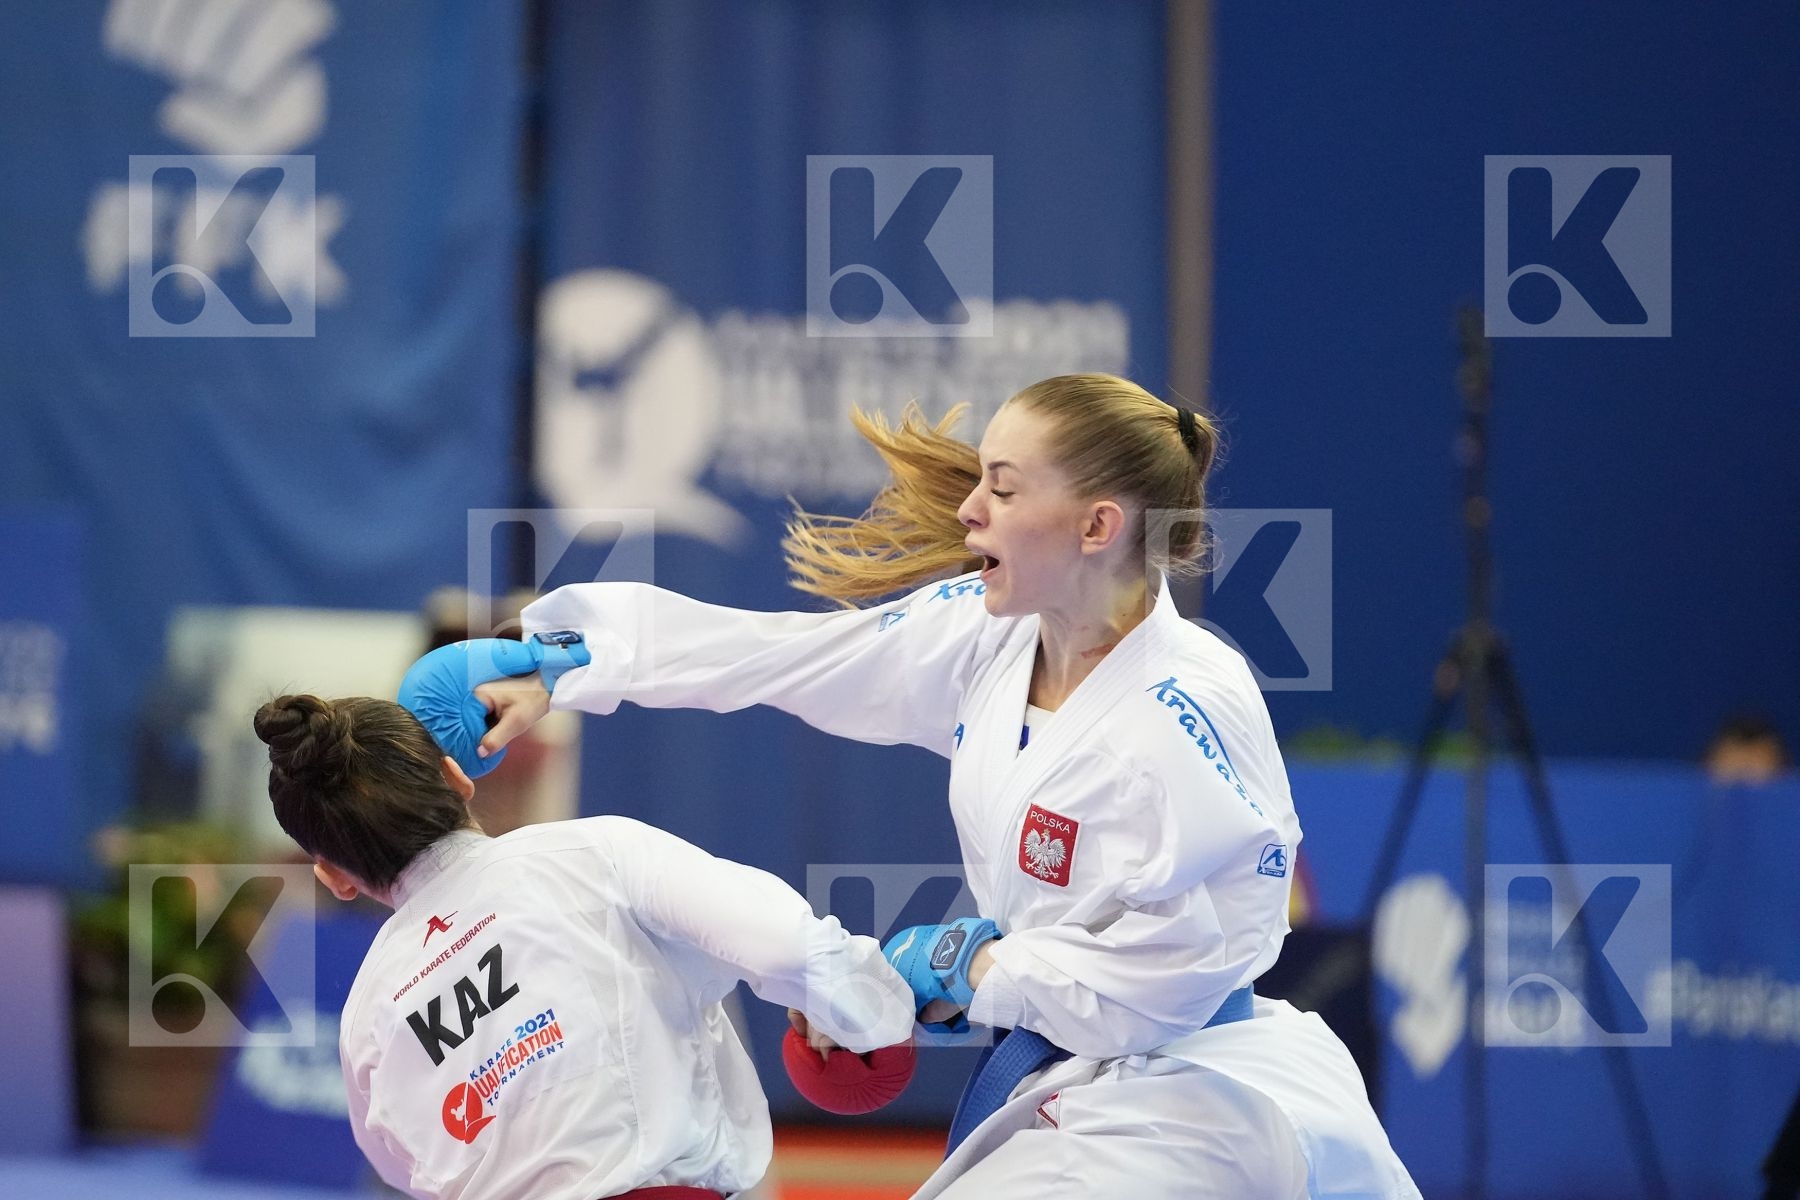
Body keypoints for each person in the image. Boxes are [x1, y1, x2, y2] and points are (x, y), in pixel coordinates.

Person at [468, 374, 1419, 1198]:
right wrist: (567, 661)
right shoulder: (995, 633)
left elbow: (1175, 977)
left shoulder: (1182, 714)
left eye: (1002, 491)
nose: (969, 513)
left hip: (1197, 1101)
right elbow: (784, 658)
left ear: (1098, 525)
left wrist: (978, 971)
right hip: (1084, 1081)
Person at [252, 693, 915, 1200]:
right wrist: (873, 1011)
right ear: (457, 778)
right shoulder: (588, 853)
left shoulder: (366, 1017)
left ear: (333, 874)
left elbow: (405, 1170)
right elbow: (786, 949)